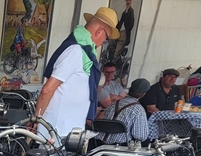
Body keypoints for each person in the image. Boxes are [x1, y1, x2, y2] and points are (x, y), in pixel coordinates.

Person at [33, 7, 119, 140]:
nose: (103, 43)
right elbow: (47, 89)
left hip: (67, 128)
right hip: (57, 129)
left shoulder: (83, 52)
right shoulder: (75, 51)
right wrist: (36, 119)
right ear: (99, 31)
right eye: (106, 38)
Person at [100, 78, 150, 144]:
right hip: (119, 146)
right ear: (144, 94)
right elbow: (140, 136)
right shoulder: (138, 110)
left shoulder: (113, 103)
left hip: (99, 143)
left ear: (130, 89)